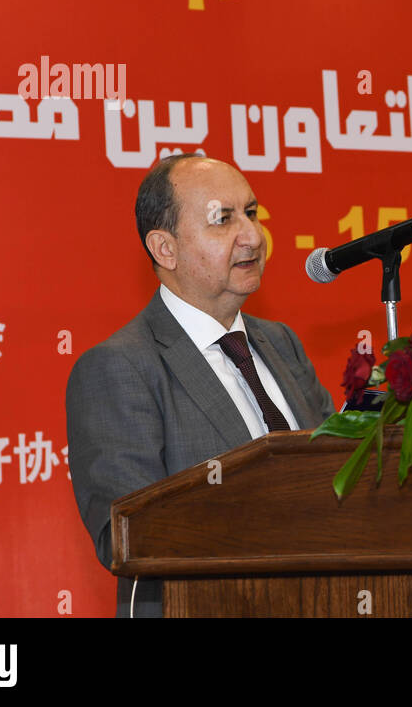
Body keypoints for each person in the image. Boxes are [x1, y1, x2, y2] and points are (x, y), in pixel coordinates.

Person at [65, 153, 334, 617]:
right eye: (223, 220)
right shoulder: (120, 366)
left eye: (251, 214)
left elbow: (337, 468)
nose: (252, 236)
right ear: (164, 248)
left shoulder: (281, 343)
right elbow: (124, 536)